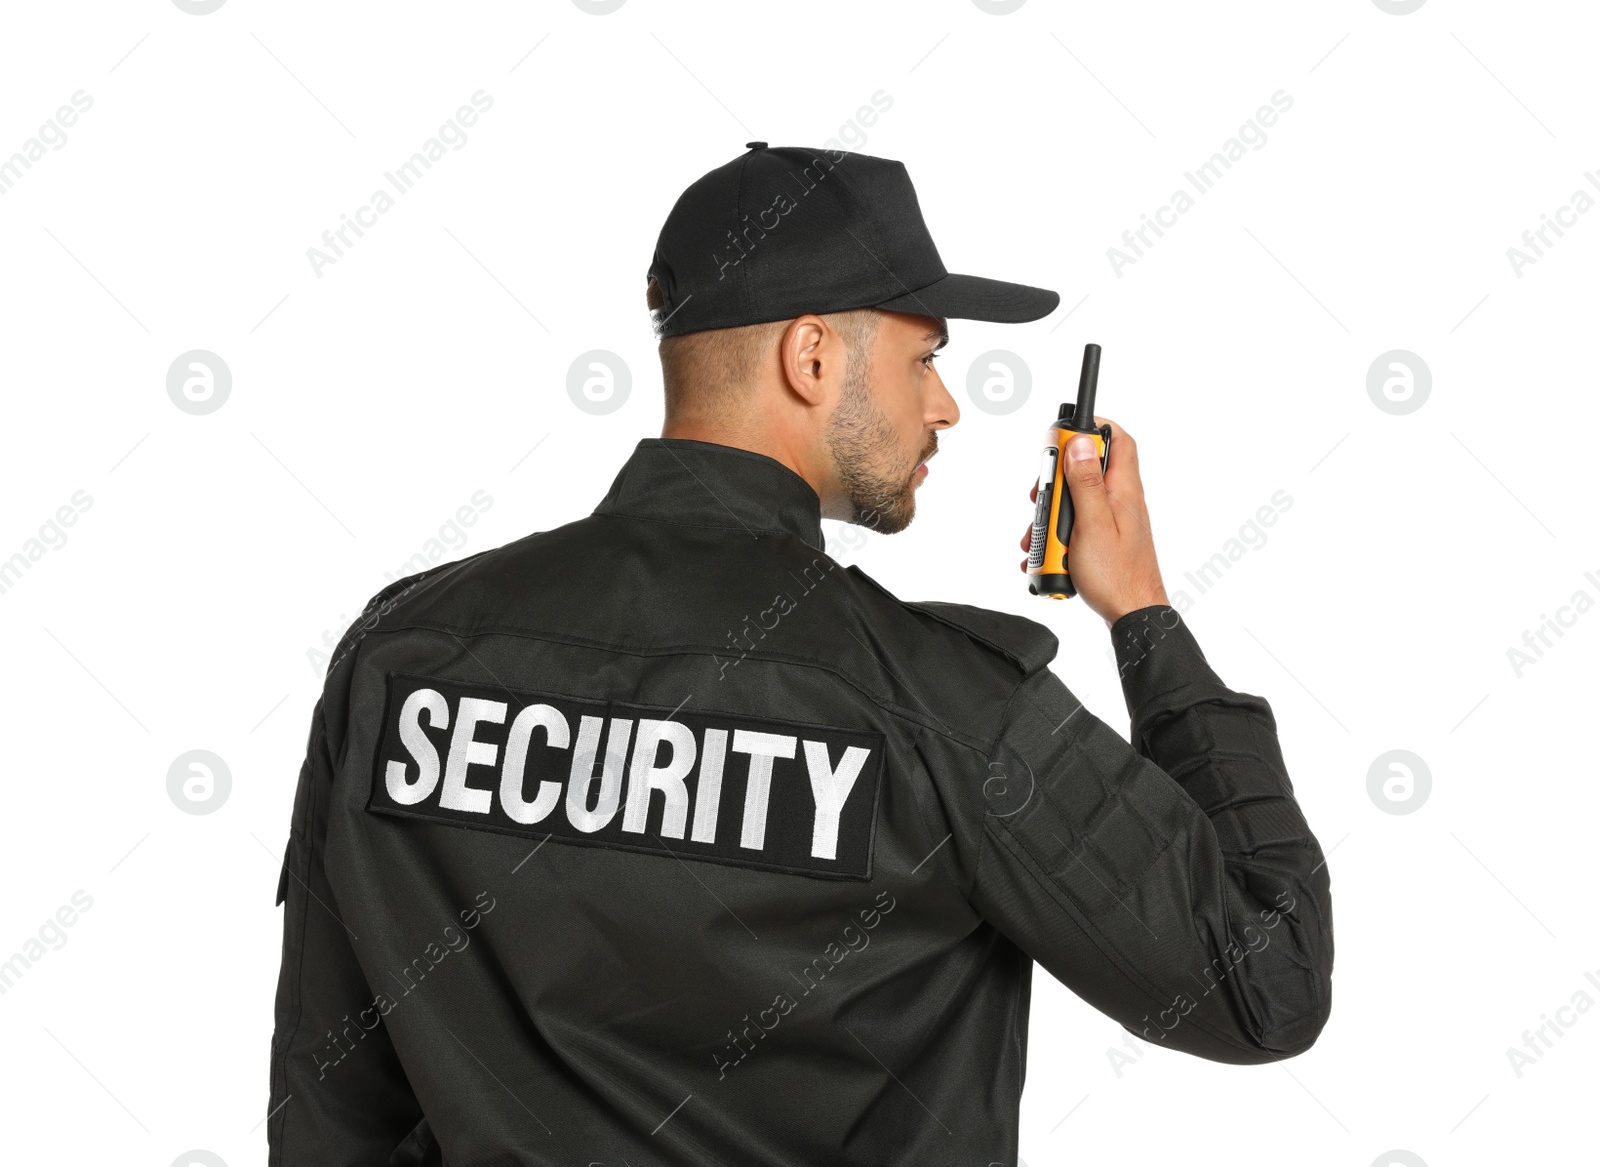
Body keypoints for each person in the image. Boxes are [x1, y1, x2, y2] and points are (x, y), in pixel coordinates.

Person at [267, 143, 1334, 1167]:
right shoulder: (938, 700)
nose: (945, 405)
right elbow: (1261, 982)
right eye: (923, 358)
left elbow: (330, 1102)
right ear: (811, 355)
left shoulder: (402, 652)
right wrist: (1141, 612)